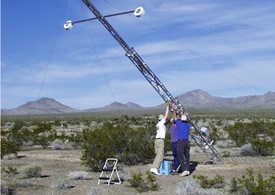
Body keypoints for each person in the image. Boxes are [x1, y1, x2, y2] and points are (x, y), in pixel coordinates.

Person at [150, 102, 170, 175]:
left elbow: (166, 123)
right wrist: (167, 107)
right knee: (160, 155)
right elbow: (166, 115)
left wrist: (171, 120)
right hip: (160, 140)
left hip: (156, 140)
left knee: (157, 154)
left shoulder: (159, 124)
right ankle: (155, 168)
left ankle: (153, 167)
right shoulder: (161, 122)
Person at [173, 103, 191, 176]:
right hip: (187, 141)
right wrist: (182, 111)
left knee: (180, 156)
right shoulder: (188, 125)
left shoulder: (179, 123)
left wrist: (174, 109)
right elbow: (185, 118)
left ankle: (184, 170)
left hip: (181, 142)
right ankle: (187, 169)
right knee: (187, 156)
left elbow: (175, 118)